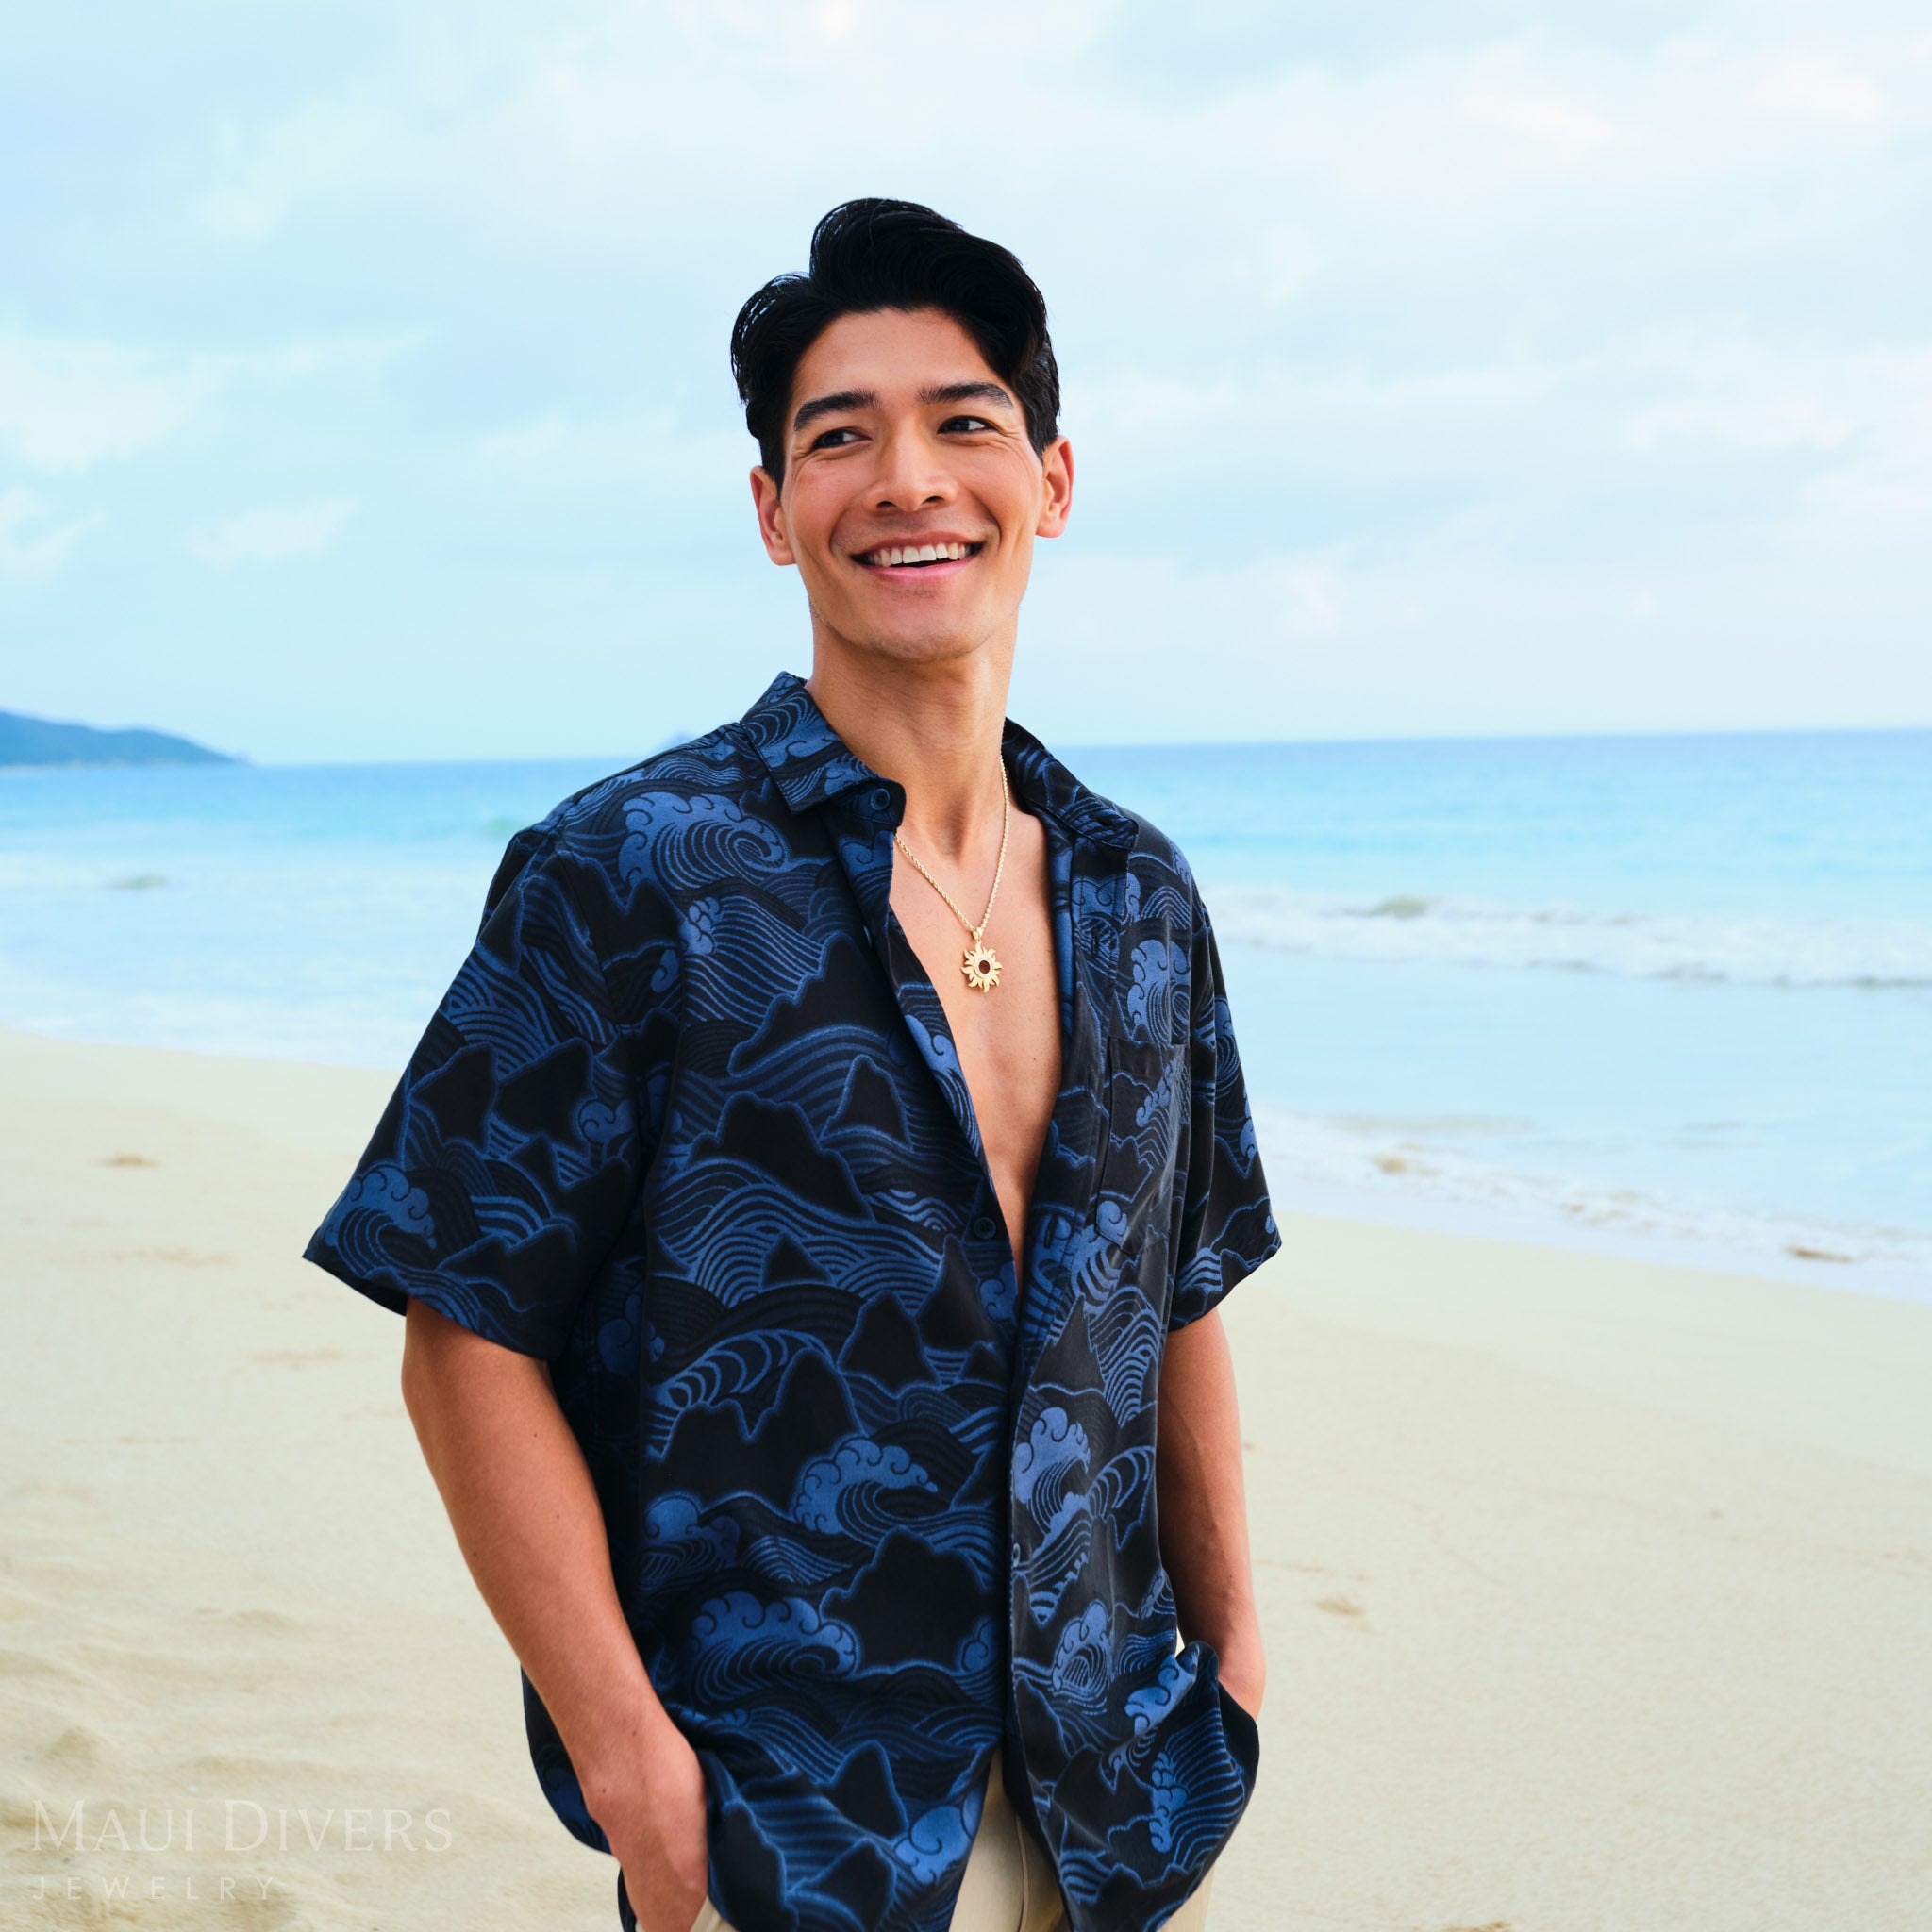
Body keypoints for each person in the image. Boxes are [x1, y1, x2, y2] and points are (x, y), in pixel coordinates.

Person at [305, 197, 1279, 1932]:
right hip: (784, 1830)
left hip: (1119, 1803)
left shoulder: (1140, 897)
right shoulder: (634, 873)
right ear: (774, 512)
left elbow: (1176, 1291)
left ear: (1053, 483)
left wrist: (1239, 1672)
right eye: (843, 439)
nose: (909, 479)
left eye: (965, 424)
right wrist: (631, 1767)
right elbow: (463, 1333)